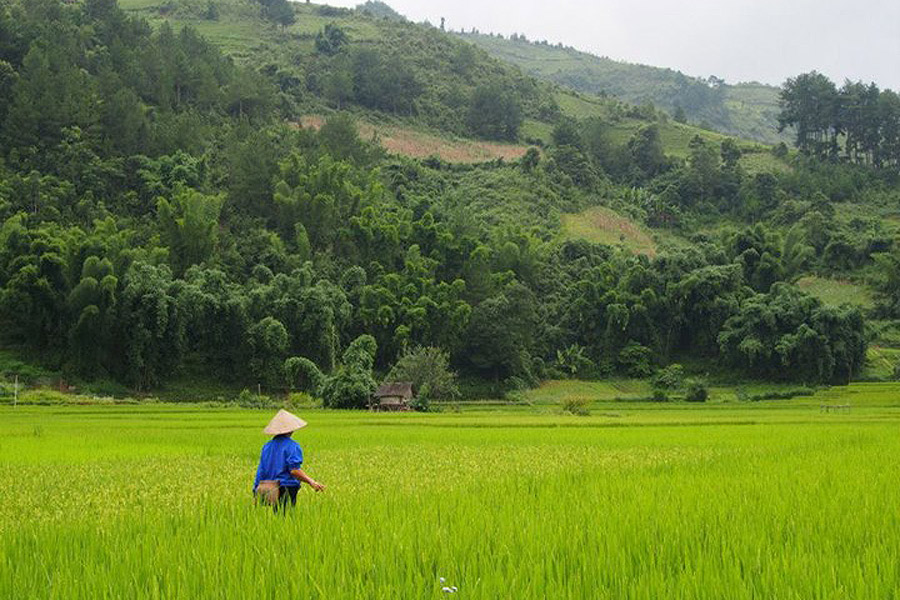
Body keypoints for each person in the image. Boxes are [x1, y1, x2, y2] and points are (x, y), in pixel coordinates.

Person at [254, 409, 325, 510]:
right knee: (286, 518)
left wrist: (255, 489)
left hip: (270, 488)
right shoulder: (292, 446)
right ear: (290, 429)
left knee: (276, 519)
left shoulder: (267, 447)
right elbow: (294, 470)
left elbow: (261, 470)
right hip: (287, 488)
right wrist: (311, 482)